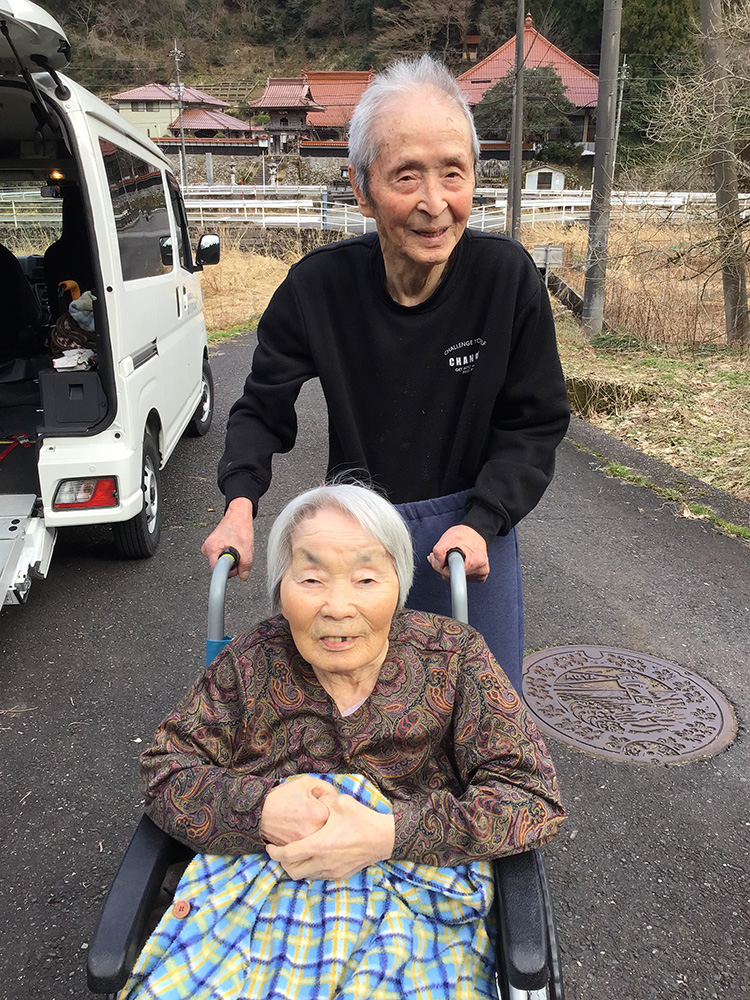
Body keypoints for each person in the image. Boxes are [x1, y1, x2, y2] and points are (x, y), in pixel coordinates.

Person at [202, 56, 570, 693]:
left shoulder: (505, 279)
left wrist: (485, 518)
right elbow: (262, 406)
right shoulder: (319, 288)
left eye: (453, 173)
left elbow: (534, 423)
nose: (435, 203)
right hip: (355, 540)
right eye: (406, 176)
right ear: (362, 187)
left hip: (469, 536)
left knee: (480, 712)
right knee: (345, 709)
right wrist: (239, 505)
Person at [128, 484, 563, 999]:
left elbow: (531, 796)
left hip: (411, 913)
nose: (337, 607)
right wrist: (261, 808)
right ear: (282, 588)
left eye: (365, 578)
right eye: (312, 578)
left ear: (398, 584)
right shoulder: (249, 663)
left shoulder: (454, 657)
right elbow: (165, 769)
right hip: (258, 907)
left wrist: (387, 834)